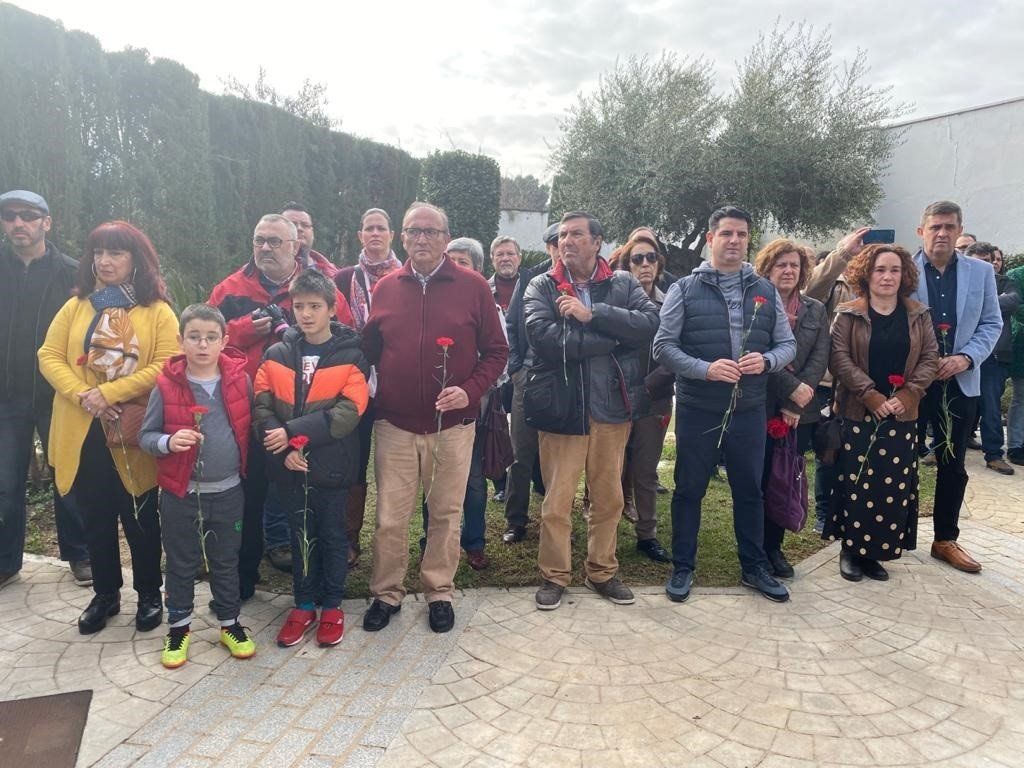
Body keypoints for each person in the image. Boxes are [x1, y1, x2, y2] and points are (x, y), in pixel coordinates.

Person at [361, 202, 507, 634]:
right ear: (402, 238)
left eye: (430, 231)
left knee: (445, 512)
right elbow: (369, 348)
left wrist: (470, 390)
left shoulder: (474, 286)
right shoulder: (386, 288)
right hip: (395, 425)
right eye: (413, 232)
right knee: (390, 515)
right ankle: (386, 592)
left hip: (453, 427)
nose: (421, 239)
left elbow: (497, 352)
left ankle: (439, 590)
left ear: (446, 238)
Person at [38, 220, 178, 634]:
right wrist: (85, 395)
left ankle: (150, 593)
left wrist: (111, 393)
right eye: (98, 253)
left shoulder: (157, 311)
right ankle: (106, 593)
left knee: (140, 517)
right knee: (95, 515)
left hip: (132, 431)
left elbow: (166, 365)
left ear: (136, 259)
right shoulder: (77, 306)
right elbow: (48, 355)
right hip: (83, 429)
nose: (105, 261)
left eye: (115, 253)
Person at [654, 206, 796, 604]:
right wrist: (704, 369)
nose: (735, 241)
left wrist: (767, 361)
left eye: (742, 234)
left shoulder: (765, 290)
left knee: (750, 490)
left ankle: (754, 567)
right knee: (689, 490)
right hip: (700, 407)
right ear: (711, 239)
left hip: (749, 408)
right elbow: (662, 347)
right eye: (727, 233)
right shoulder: (684, 289)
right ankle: (683, 566)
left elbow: (788, 345)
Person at [208, 214, 353, 595]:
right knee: (250, 493)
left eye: (274, 241)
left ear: (295, 246)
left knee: (307, 498)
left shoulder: (317, 287)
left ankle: (317, 578)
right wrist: (241, 329)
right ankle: (244, 577)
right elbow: (203, 340)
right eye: (259, 240)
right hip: (250, 410)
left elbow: (348, 337)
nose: (265, 248)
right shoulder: (229, 289)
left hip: (309, 416)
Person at [524, 211, 660, 611]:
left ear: (597, 241)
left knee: (609, 498)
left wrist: (593, 315)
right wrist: (613, 341)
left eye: (576, 234)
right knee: (557, 501)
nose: (567, 241)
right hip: (563, 411)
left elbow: (650, 323)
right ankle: (554, 575)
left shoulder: (622, 283)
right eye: (563, 234)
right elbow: (546, 339)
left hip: (611, 407)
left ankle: (602, 571)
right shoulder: (542, 286)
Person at [254, 270, 369, 648]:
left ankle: (332, 605)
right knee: (300, 535)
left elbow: (348, 412)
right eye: (299, 306)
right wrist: (285, 448)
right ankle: (303, 603)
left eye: (315, 306)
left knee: (334, 537)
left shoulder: (353, 354)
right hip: (291, 468)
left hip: (331, 466)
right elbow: (262, 405)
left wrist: (293, 433)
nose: (305, 314)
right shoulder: (277, 354)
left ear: (332, 309)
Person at [139, 304, 256, 668]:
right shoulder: (166, 384)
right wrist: (168, 443)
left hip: (229, 491)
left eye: (210, 338)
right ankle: (179, 626)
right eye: (194, 337)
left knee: (225, 560)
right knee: (181, 561)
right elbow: (146, 435)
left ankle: (229, 622)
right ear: (181, 341)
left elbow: (250, 427)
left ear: (224, 341)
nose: (202, 345)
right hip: (181, 493)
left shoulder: (240, 380)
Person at [826, 245, 938, 580]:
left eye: (894, 270)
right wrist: (870, 395)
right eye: (879, 270)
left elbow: (930, 358)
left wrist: (909, 393)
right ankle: (850, 550)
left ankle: (875, 553)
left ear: (904, 275)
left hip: (902, 415)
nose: (887, 276)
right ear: (866, 274)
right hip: (859, 412)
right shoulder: (848, 313)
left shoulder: (919, 314)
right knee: (856, 484)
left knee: (890, 487)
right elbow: (838, 358)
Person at [0, 190, 90, 589]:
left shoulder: (74, 274)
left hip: (60, 397)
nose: (18, 223)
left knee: (68, 477)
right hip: (6, 398)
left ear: (46, 223)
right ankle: (6, 561)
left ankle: (81, 554)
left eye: (28, 216)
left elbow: (111, 312)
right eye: (9, 216)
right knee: (5, 482)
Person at [910, 201, 1001, 573]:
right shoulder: (903, 269)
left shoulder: (980, 273)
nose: (942, 233)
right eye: (935, 227)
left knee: (953, 464)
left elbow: (992, 323)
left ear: (959, 229)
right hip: (912, 384)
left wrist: (966, 358)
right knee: (900, 460)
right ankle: (894, 532)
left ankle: (945, 539)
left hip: (961, 381)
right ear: (922, 231)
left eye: (949, 227)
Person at [420, 237, 502, 571]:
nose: (453, 266)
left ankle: (474, 542)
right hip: (436, 408)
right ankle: (431, 539)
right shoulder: (433, 302)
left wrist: (471, 389)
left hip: (474, 407)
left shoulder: (486, 304)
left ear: (478, 270)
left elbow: (500, 357)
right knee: (434, 476)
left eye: (462, 262)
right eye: (449, 260)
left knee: (472, 478)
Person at [753, 239, 830, 578]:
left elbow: (819, 356)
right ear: (767, 269)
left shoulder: (815, 309)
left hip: (801, 411)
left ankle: (774, 548)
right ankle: (754, 548)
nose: (788, 270)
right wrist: (790, 392)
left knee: (783, 479)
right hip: (759, 404)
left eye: (794, 265)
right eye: (780, 264)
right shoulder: (755, 307)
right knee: (758, 479)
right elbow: (758, 357)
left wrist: (798, 400)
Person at [334, 208, 401, 566]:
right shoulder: (343, 278)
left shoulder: (407, 276)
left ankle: (394, 539)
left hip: (398, 379)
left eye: (381, 228)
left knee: (396, 463)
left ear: (391, 235)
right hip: (355, 380)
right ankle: (349, 538)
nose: (375, 233)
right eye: (368, 228)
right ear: (360, 235)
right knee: (354, 460)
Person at [608, 234, 672, 563]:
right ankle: (604, 534)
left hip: (654, 399)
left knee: (645, 470)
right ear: (626, 265)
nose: (645, 265)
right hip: (614, 399)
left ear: (659, 264)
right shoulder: (613, 303)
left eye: (651, 258)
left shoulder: (671, 301)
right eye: (637, 259)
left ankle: (647, 534)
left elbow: (677, 350)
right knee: (609, 469)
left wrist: (648, 385)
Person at [804, 227, 869, 532]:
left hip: (870, 385)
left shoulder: (884, 285)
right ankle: (824, 512)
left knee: (860, 453)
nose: (864, 252)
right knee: (828, 449)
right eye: (860, 247)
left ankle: (853, 513)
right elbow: (809, 291)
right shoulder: (836, 282)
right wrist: (841, 254)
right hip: (830, 382)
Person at [502, 223, 558, 544]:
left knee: (557, 459)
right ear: (549, 246)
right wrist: (515, 370)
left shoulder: (580, 280)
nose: (560, 247)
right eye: (554, 242)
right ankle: (515, 520)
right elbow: (511, 325)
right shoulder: (528, 279)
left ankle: (555, 522)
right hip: (528, 377)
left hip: (563, 382)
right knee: (520, 453)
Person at [964, 242, 1019, 475]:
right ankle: (940, 447)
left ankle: (994, 454)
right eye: (979, 261)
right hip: (962, 354)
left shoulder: (1006, 282)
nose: (987, 266)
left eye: (989, 261)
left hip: (992, 356)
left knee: (991, 406)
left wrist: (978, 301)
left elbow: (1013, 301)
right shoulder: (960, 282)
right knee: (953, 403)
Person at [282, 201, 341, 280]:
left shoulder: (334, 274)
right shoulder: (266, 271)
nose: (299, 228)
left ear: (312, 232)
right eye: (292, 224)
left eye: (305, 225)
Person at [1008, 261, 1024, 467]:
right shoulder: (1017, 275)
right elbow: (1015, 307)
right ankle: (1016, 445)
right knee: (1021, 396)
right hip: (1021, 344)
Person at [489, 235, 522, 312]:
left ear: (519, 258)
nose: (505, 259)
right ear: (492, 259)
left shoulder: (533, 289)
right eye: (500, 254)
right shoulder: (484, 290)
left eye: (510, 254)